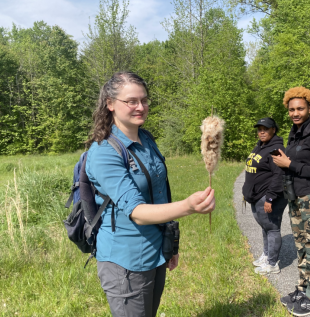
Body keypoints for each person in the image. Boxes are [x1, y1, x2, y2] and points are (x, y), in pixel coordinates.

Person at [85, 71, 215, 317]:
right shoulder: (104, 152)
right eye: (131, 101)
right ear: (110, 104)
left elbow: (159, 194)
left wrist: (170, 245)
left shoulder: (146, 139)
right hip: (126, 260)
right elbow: (137, 212)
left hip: (156, 250)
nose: (140, 107)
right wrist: (189, 206)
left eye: (144, 100)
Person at [272, 87, 310, 316]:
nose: (295, 113)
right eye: (291, 109)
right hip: (297, 198)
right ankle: (303, 289)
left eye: (300, 108)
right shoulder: (295, 132)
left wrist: (290, 165)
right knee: (302, 248)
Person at [242, 117, 288, 275]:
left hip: (268, 196)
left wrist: (270, 198)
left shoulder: (276, 149)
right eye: (259, 129)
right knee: (265, 227)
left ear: (273, 130)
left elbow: (279, 176)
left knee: (272, 228)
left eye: (265, 129)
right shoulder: (260, 147)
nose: (261, 132)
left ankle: (272, 263)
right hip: (257, 195)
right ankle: (267, 255)